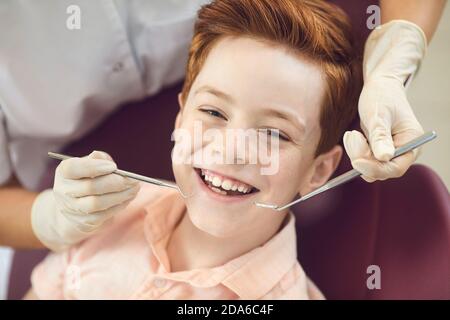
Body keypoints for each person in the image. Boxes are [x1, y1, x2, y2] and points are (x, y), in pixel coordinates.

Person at [26, 0, 361, 299]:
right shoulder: (106, 215)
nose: (230, 151)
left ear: (317, 170)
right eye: (213, 113)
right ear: (180, 117)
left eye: (274, 133)